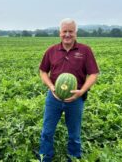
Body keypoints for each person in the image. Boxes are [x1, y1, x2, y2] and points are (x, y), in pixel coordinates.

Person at [38, 18, 99, 161]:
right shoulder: (51, 51)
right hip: (53, 98)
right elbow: (42, 72)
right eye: (64, 31)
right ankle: (45, 157)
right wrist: (52, 87)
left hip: (75, 99)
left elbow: (94, 74)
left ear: (75, 33)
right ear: (60, 33)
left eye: (70, 31)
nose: (67, 34)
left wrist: (82, 91)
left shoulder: (85, 50)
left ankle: (74, 158)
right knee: (47, 131)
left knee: (74, 134)